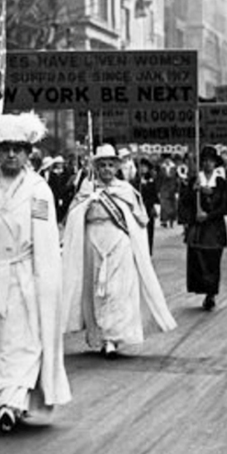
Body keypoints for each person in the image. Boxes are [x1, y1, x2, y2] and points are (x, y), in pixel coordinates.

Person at [0, 112, 71, 433]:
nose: (11, 154)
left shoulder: (38, 190)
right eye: (5, 148)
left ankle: (12, 402)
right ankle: (2, 401)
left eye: (18, 148)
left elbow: (46, 240)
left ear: (29, 152)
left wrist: (45, 284)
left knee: (23, 341)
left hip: (23, 277)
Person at [62, 144, 177, 359]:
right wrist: (87, 204)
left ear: (117, 167)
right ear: (96, 167)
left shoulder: (125, 190)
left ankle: (114, 337)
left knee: (118, 289)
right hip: (94, 240)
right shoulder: (87, 189)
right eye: (102, 165)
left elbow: (140, 219)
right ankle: (102, 336)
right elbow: (73, 217)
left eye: (110, 165)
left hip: (119, 241)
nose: (106, 169)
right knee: (98, 288)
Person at [179, 145, 227, 311]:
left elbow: (225, 206)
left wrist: (209, 210)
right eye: (205, 161)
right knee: (198, 260)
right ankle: (204, 289)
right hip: (198, 229)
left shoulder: (220, 182)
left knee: (213, 261)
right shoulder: (195, 180)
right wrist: (192, 191)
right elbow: (185, 202)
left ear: (215, 164)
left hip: (214, 229)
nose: (208, 164)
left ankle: (211, 294)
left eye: (211, 161)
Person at [132, 158, 159, 253]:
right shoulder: (135, 181)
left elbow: (154, 195)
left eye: (145, 167)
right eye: (141, 167)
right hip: (138, 209)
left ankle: (148, 250)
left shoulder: (151, 181)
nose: (142, 169)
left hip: (148, 208)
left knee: (149, 230)